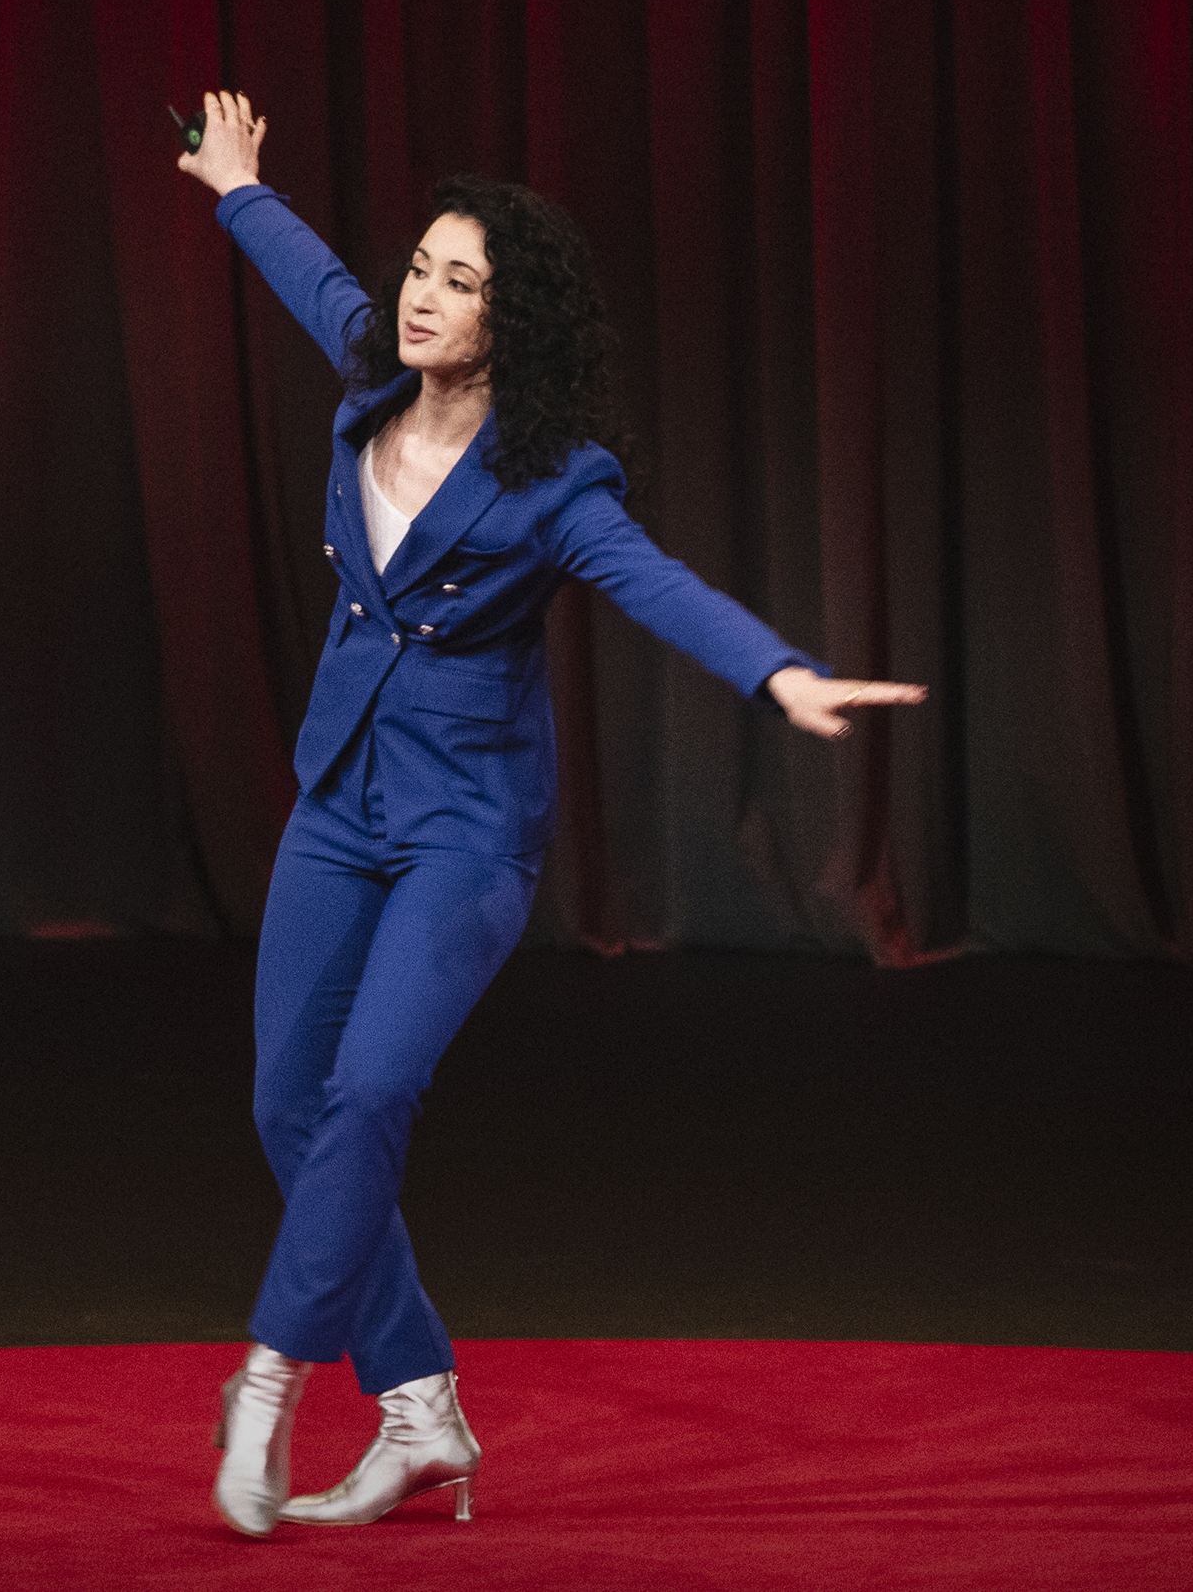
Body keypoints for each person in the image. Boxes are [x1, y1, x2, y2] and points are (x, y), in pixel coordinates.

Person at [177, 91, 927, 1538]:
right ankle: (421, 1412)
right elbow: (315, 277)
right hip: (340, 800)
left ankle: (268, 1374)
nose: (424, 296)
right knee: (290, 1104)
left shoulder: (554, 480)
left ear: (511, 323)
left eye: (464, 284)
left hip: (466, 827)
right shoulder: (368, 374)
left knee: (373, 1093)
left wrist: (778, 673)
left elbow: (651, 581)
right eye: (424, 269)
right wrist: (236, 186)